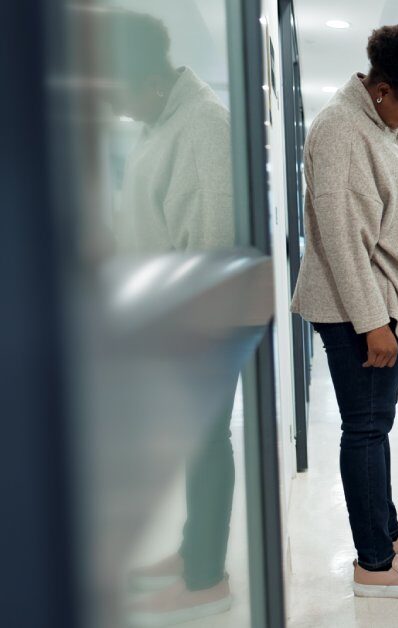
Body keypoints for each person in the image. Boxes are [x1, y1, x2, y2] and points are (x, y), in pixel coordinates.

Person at [290, 21, 398, 599]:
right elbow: (339, 237)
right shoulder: (340, 130)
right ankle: (374, 565)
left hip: (384, 304)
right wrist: (372, 323)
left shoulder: (377, 123)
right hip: (362, 311)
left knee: (375, 427)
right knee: (364, 430)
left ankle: (386, 530)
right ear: (383, 90)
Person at [98, 8, 237, 624]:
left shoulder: (204, 125)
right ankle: (190, 554)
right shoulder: (160, 120)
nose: (113, 106)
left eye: (117, 92)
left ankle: (205, 578)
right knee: (192, 443)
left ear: (148, 77)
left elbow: (209, 240)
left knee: (206, 443)